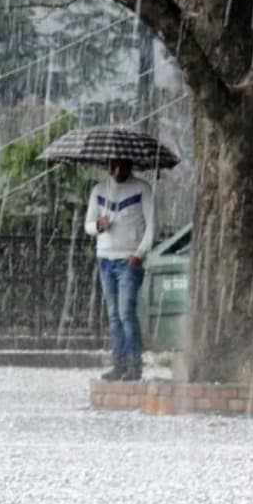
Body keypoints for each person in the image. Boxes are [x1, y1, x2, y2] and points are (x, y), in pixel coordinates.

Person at [84, 158, 155, 382]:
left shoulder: (142, 189)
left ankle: (134, 366)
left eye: (123, 165)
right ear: (107, 166)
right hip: (105, 259)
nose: (118, 170)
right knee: (113, 316)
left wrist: (139, 253)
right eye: (113, 165)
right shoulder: (99, 190)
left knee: (126, 313)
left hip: (128, 260)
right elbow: (88, 225)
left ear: (130, 165)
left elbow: (152, 225)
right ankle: (119, 363)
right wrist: (99, 226)